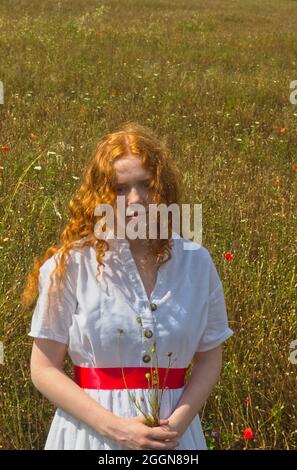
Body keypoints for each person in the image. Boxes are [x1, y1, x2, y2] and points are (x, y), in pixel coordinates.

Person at [22, 121, 233, 450]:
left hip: (174, 439)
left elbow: (210, 357)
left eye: (146, 185)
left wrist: (176, 425)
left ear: (163, 189)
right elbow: (43, 368)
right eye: (121, 188)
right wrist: (117, 430)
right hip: (90, 437)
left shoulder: (197, 262)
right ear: (101, 196)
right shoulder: (71, 265)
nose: (136, 199)